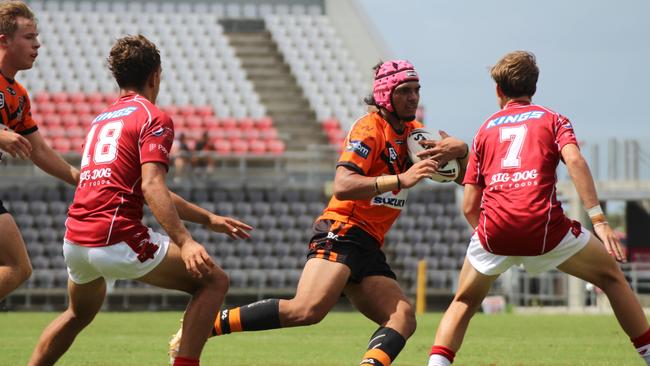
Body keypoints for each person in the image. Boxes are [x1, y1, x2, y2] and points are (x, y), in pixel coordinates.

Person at [168, 60, 469, 366]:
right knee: (306, 311)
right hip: (342, 230)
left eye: (416, 90)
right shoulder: (369, 129)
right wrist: (399, 180)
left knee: (403, 317)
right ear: (384, 94)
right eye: (405, 90)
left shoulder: (415, 135)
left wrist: (462, 151)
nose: (414, 97)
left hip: (369, 242)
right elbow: (342, 183)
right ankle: (209, 324)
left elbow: (460, 176)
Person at [28, 35, 253, 366]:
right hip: (115, 236)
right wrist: (186, 241)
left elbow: (142, 187)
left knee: (77, 313)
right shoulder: (152, 117)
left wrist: (207, 219)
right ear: (155, 76)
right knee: (214, 280)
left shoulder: (101, 121)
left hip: (75, 239)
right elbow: (151, 185)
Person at [425, 51, 650, 366]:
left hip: (493, 231)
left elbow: (469, 206)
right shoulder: (553, 118)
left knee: (463, 301)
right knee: (611, 278)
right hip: (544, 229)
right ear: (534, 86)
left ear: (498, 91)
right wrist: (598, 220)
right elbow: (574, 161)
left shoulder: (484, 130)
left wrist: (494, 237)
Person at [0, 0, 80, 300]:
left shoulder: (17, 96)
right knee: (17, 266)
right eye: (29, 37)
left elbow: (39, 150)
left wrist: (78, 177)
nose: (38, 44)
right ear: (4, 40)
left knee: (18, 267)